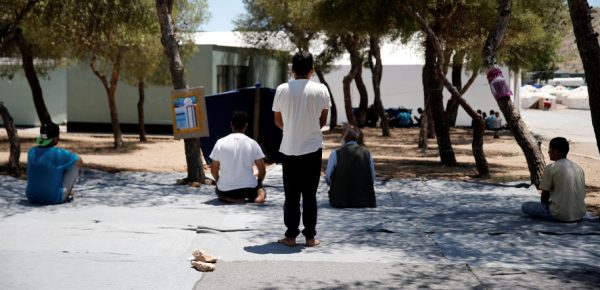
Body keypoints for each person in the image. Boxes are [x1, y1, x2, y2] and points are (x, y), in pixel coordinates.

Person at [273, 51, 330, 247]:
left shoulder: (282, 89)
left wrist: (292, 129)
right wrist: (309, 128)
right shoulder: (322, 90)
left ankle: (290, 236)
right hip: (313, 148)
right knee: (310, 195)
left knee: (291, 195)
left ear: (292, 70)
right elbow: (323, 120)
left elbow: (278, 120)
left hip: (288, 148)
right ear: (312, 71)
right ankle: (310, 237)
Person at [522, 137, 586, 222]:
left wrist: (545, 207)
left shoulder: (551, 167)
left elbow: (545, 194)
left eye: (550, 149)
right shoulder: (578, 168)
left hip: (559, 215)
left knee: (525, 206)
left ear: (556, 151)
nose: (548, 152)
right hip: (579, 214)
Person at [209, 111, 266, 204]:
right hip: (249, 189)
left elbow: (213, 169)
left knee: (219, 192)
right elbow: (262, 171)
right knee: (260, 189)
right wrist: (259, 183)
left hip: (226, 190)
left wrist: (219, 181)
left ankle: (231, 199)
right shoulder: (253, 143)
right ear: (245, 126)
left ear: (231, 124)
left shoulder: (220, 142)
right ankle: (259, 196)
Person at [26, 123, 83, 205]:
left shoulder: (31, 151)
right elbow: (80, 161)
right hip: (53, 198)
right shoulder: (59, 153)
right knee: (74, 165)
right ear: (56, 138)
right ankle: (67, 192)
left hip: (32, 197)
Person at [325, 125, 376, 208]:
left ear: (343, 138)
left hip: (340, 201)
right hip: (365, 201)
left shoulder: (335, 153)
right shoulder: (367, 153)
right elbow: (372, 178)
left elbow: (328, 177)